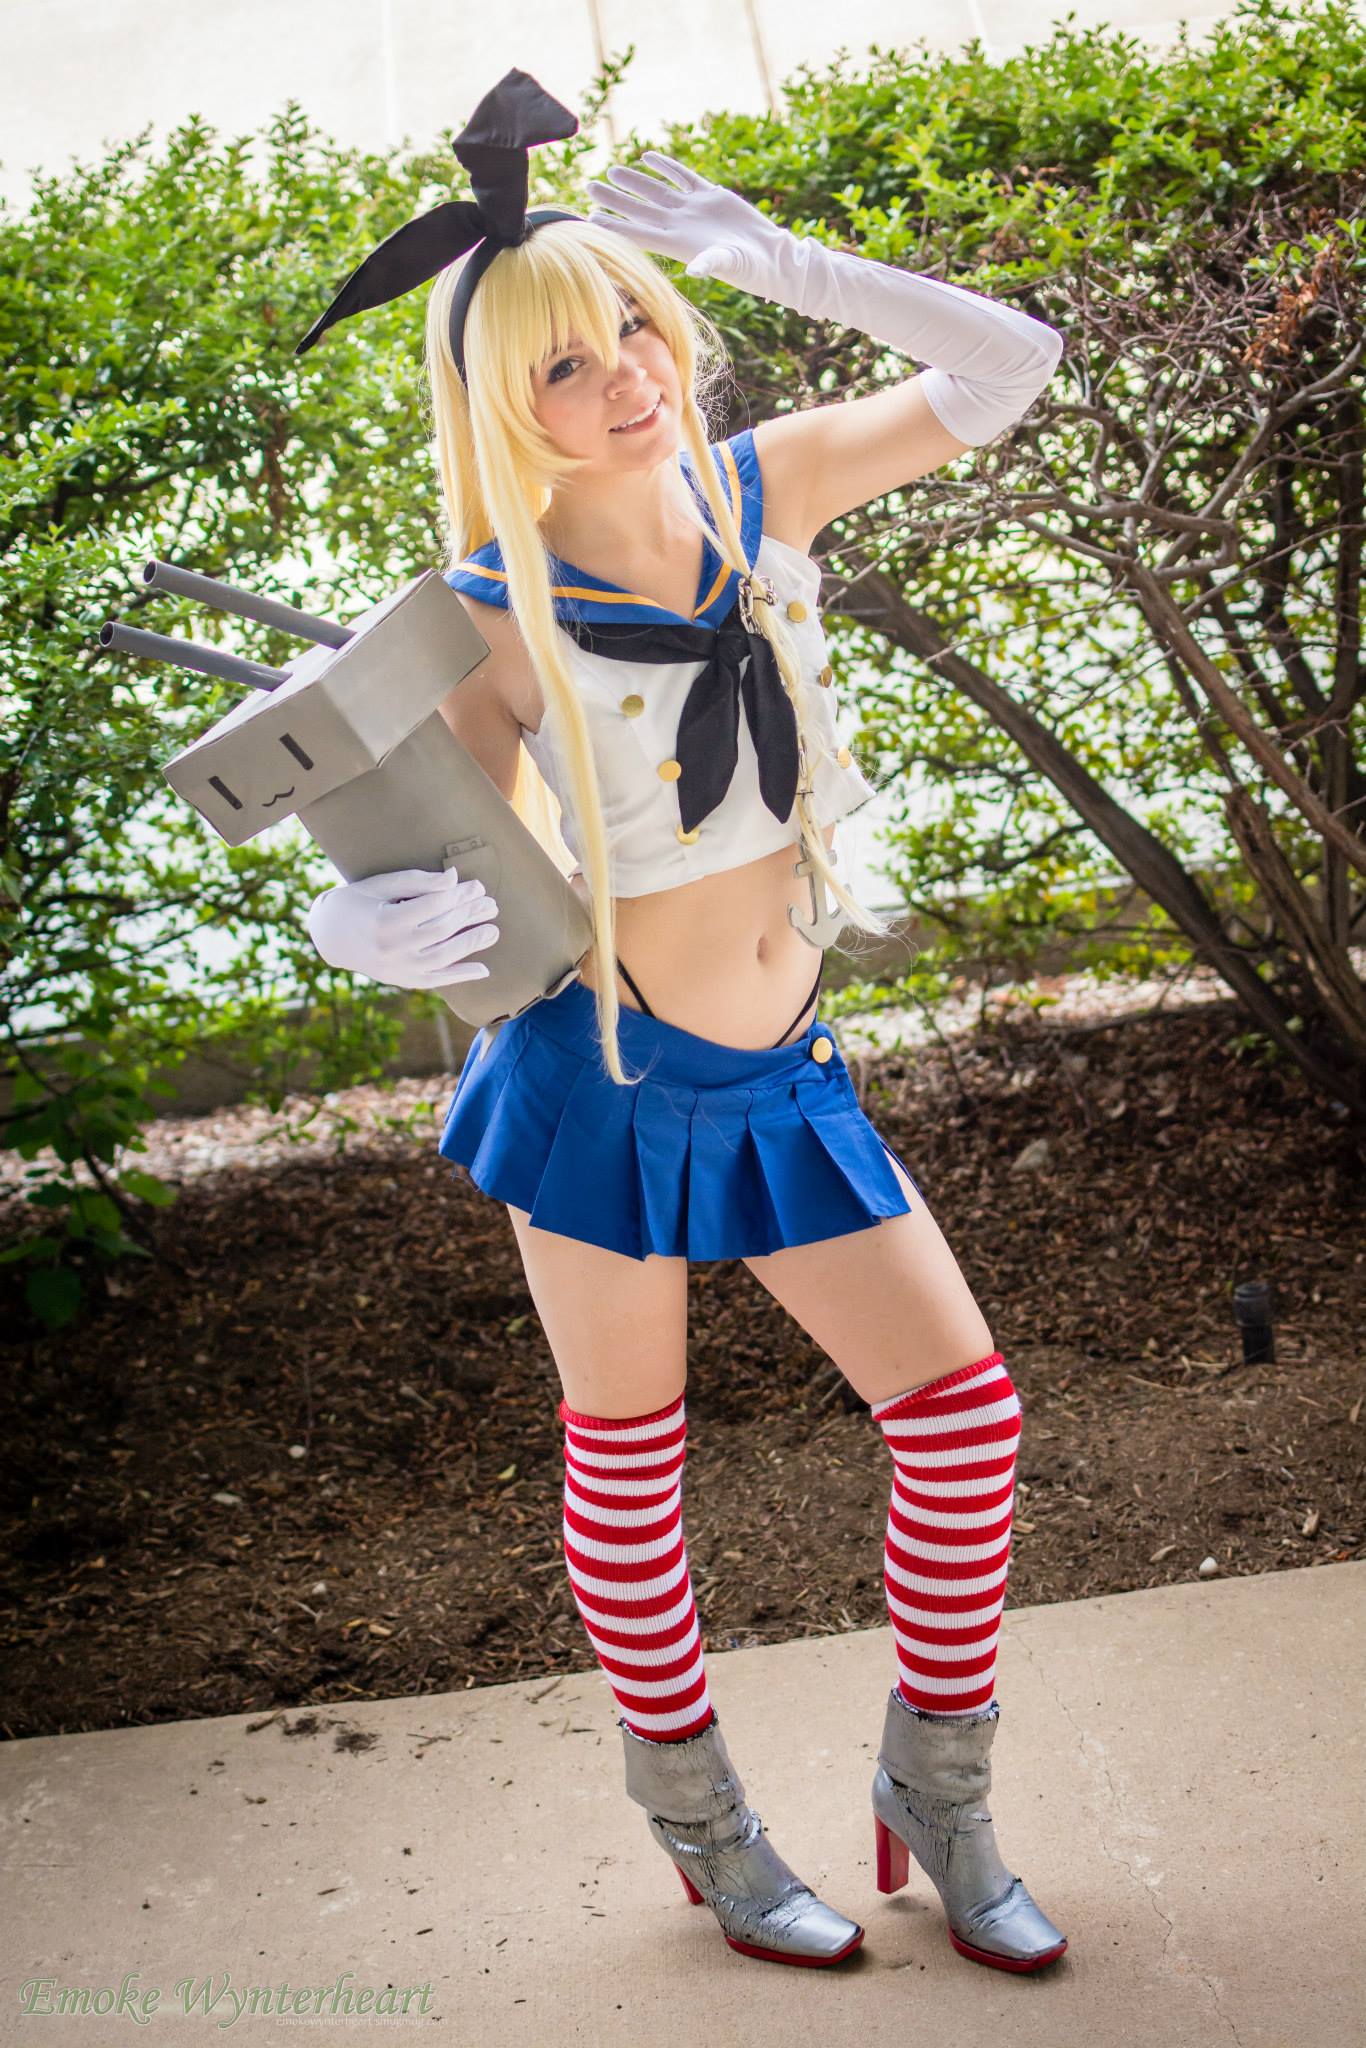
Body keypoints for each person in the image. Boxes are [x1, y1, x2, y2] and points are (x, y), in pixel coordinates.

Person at [302, 69, 1068, 1974]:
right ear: (501, 404)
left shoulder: (761, 484)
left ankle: (939, 1797)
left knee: (961, 1421)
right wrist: (360, 925)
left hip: (786, 1069)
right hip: (604, 1076)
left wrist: (781, 255)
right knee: (631, 1461)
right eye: (563, 366)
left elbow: (1009, 362)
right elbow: (441, 883)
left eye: (636, 327)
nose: (626, 376)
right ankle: (709, 1836)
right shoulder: (486, 612)